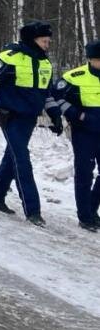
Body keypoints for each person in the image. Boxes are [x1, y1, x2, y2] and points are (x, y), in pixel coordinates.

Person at [0, 20, 63, 226]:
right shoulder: (10, 58)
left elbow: (46, 94)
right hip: (9, 114)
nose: (47, 44)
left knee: (12, 157)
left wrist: (55, 115)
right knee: (22, 159)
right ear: (32, 39)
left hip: (29, 118)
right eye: (44, 41)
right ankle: (33, 210)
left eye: (48, 41)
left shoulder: (45, 63)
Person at [54, 41, 100, 232]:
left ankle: (91, 207)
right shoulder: (74, 77)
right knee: (84, 173)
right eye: (98, 60)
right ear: (89, 59)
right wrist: (77, 115)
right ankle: (85, 216)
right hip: (84, 132)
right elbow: (56, 97)